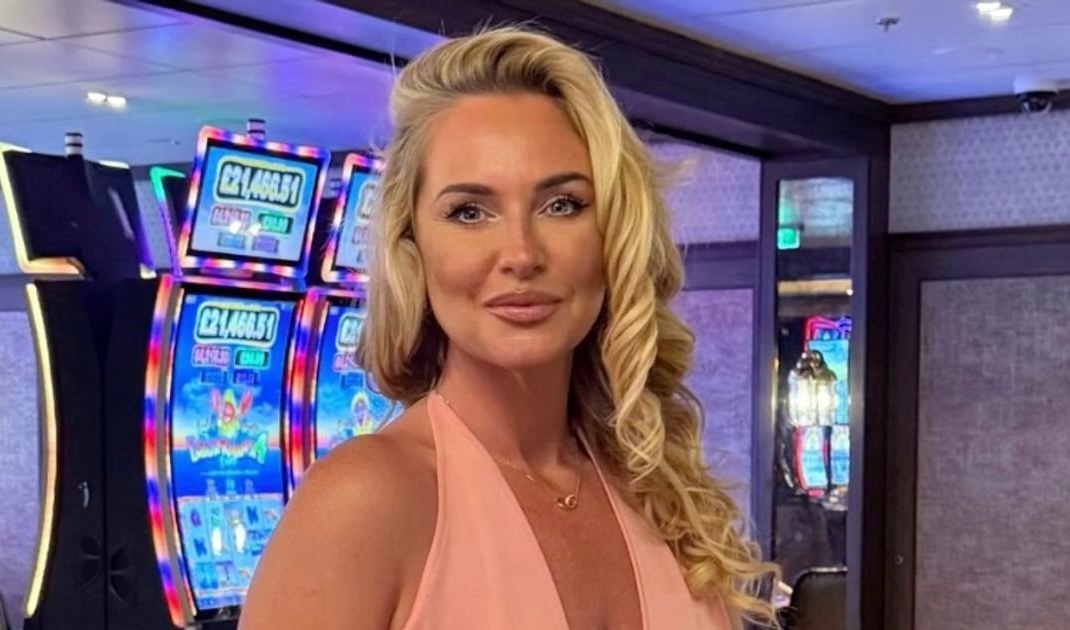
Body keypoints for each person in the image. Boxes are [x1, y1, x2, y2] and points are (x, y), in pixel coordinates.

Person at [239, 26, 778, 630]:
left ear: (614, 234)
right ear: (412, 244)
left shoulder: (661, 492)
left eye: (562, 204)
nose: (521, 253)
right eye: (469, 212)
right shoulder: (362, 501)